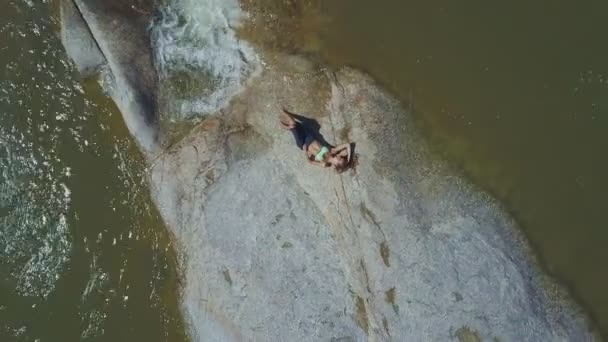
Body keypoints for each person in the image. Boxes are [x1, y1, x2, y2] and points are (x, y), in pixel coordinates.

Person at [279, 108, 353, 172]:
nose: (339, 157)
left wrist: (305, 151)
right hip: (309, 137)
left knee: (293, 125)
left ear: (336, 165)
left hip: (303, 144)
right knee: (296, 124)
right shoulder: (333, 150)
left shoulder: (324, 163)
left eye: (339, 160)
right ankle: (284, 113)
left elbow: (310, 161)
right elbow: (348, 145)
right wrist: (349, 161)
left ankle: (285, 118)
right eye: (341, 158)